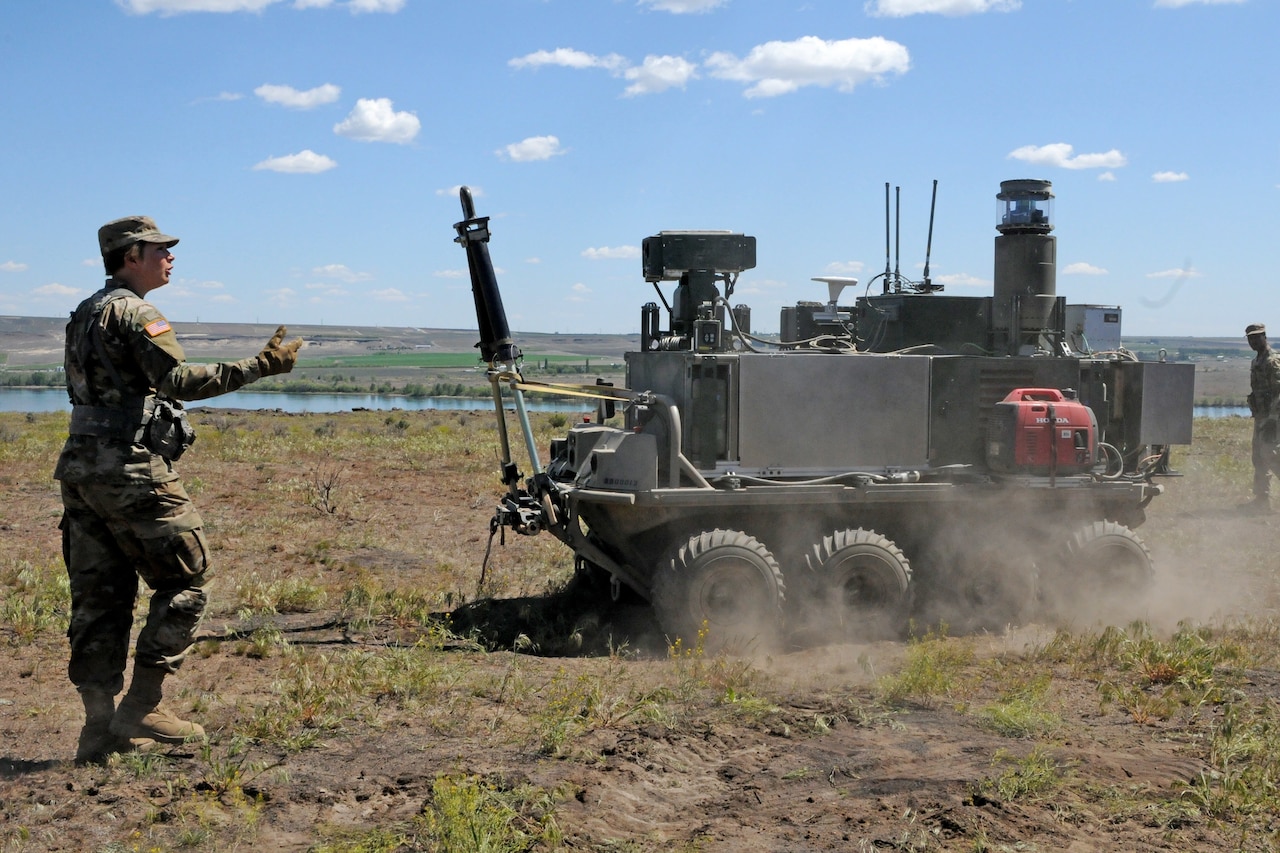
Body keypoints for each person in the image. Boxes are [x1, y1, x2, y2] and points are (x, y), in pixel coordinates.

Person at [56, 216, 303, 764]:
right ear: (130, 256)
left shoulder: (85, 313)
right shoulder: (137, 312)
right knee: (187, 582)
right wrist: (262, 366)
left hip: (80, 470)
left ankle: (97, 730)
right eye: (160, 250)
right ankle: (143, 704)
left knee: (100, 598)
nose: (170, 258)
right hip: (131, 470)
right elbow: (177, 381)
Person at [1245, 322, 1280, 513]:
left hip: (1273, 418)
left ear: (1264, 336)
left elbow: (1278, 392)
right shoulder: (1257, 361)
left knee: (1273, 456)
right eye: (1250, 338)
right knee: (1259, 457)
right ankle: (1262, 501)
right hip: (1261, 416)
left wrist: (1273, 420)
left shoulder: (1272, 360)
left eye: (1256, 337)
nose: (1253, 341)